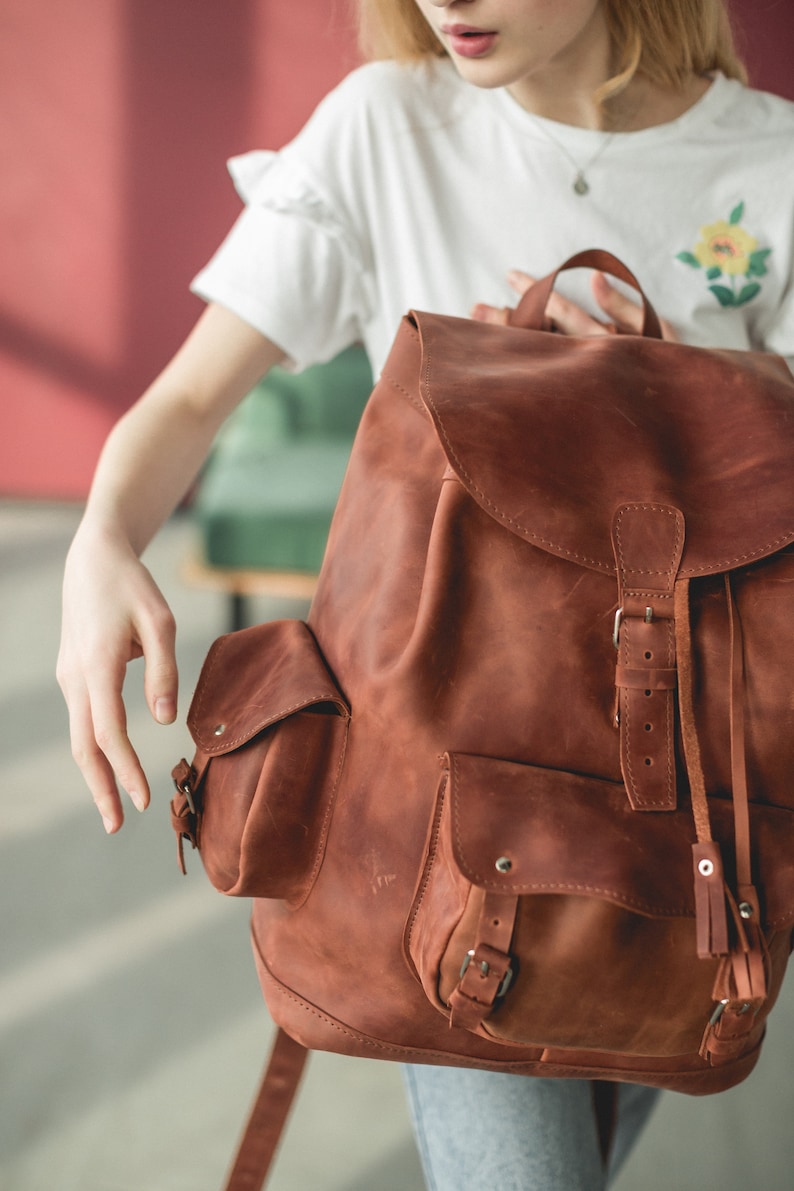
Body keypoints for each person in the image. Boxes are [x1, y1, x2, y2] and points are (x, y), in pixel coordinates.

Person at [58, 2, 794, 1187]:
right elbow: (192, 401)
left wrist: (659, 391)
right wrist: (101, 542)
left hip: (689, 810)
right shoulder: (386, 128)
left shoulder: (769, 168)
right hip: (440, 803)